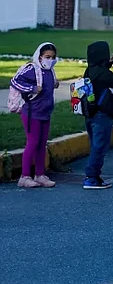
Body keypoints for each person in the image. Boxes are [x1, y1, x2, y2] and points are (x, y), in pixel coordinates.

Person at [12, 43, 59, 188]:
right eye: (47, 57)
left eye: (52, 57)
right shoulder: (32, 69)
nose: (50, 60)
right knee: (32, 143)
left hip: (45, 112)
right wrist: (32, 88)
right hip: (32, 112)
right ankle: (24, 176)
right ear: (39, 56)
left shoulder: (50, 71)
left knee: (41, 144)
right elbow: (15, 81)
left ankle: (39, 174)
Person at [83, 41, 113, 190]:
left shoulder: (90, 71)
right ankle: (91, 177)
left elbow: (102, 76)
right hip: (102, 114)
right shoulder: (103, 74)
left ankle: (94, 175)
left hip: (91, 113)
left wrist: (108, 65)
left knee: (95, 144)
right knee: (100, 147)